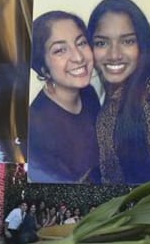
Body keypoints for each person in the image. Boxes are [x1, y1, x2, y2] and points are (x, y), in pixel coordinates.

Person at [88, 0, 150, 184]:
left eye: (127, 41)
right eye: (102, 43)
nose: (114, 55)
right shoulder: (113, 97)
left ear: (142, 44)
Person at [25, 10, 101, 184]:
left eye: (81, 43)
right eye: (60, 50)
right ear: (43, 67)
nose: (78, 57)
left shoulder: (88, 93)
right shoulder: (36, 127)